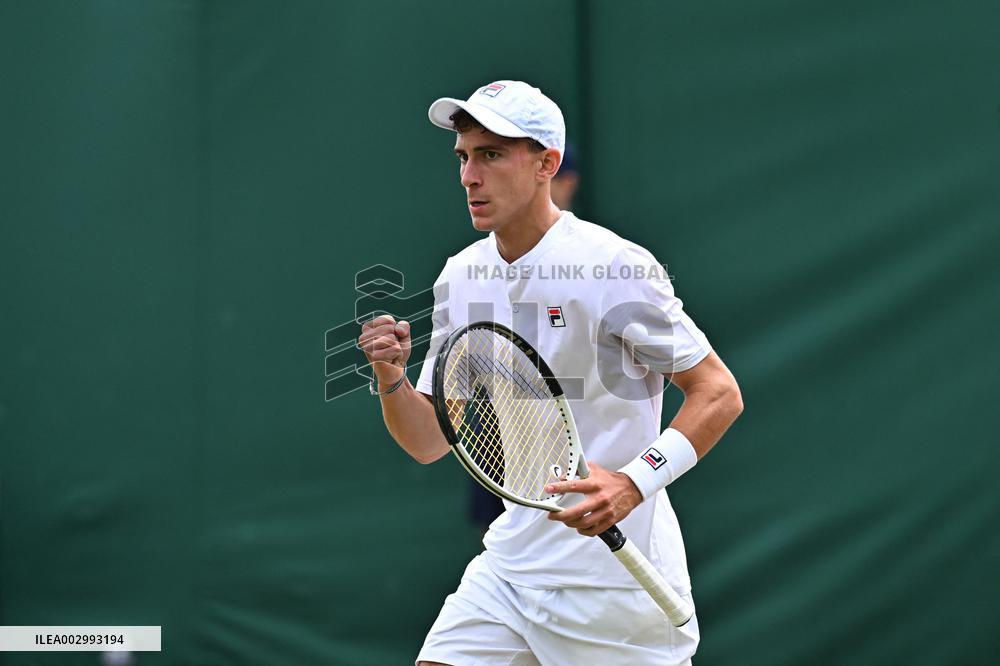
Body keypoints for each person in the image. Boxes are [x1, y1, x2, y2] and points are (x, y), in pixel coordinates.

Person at [358, 80, 743, 666]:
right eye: (464, 157)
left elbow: (718, 392)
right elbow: (429, 440)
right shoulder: (460, 277)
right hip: (511, 569)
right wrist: (391, 378)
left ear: (547, 164)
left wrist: (633, 482)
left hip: (613, 590)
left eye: (491, 154)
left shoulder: (615, 266)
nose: (469, 176)